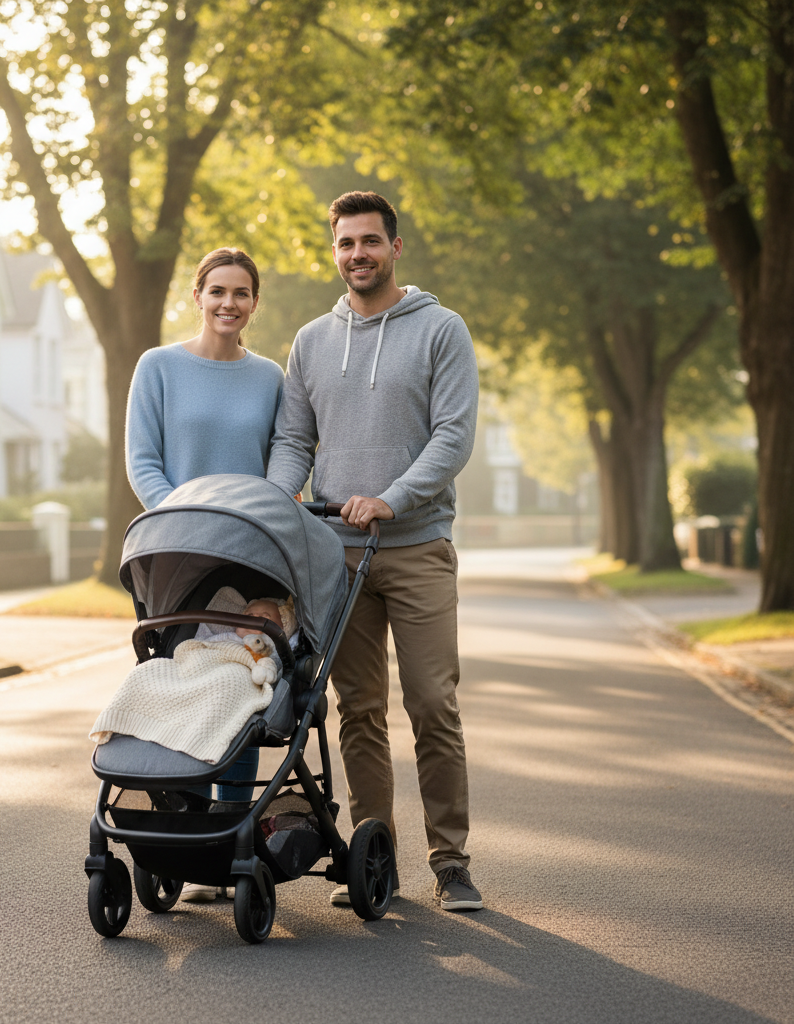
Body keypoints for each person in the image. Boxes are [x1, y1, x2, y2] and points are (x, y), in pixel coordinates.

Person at [266, 191, 483, 911]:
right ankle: (373, 857)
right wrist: (274, 501)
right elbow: (295, 440)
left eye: (370, 242)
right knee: (358, 708)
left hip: (416, 546)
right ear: (334, 252)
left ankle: (451, 862)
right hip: (338, 554)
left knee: (432, 705)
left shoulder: (441, 330)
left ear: (395, 248)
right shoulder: (311, 341)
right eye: (345, 244)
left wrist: (394, 496)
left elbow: (453, 435)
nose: (357, 254)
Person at [125, 247, 284, 902]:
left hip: (249, 555)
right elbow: (143, 462)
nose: (228, 303)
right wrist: (185, 520)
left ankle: (229, 830)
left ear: (253, 302)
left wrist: (261, 521)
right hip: (179, 550)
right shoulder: (157, 367)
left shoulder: (271, 376)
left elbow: (285, 458)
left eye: (241, 292)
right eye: (217, 290)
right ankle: (182, 828)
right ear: (197, 295)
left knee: (238, 687)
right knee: (180, 684)